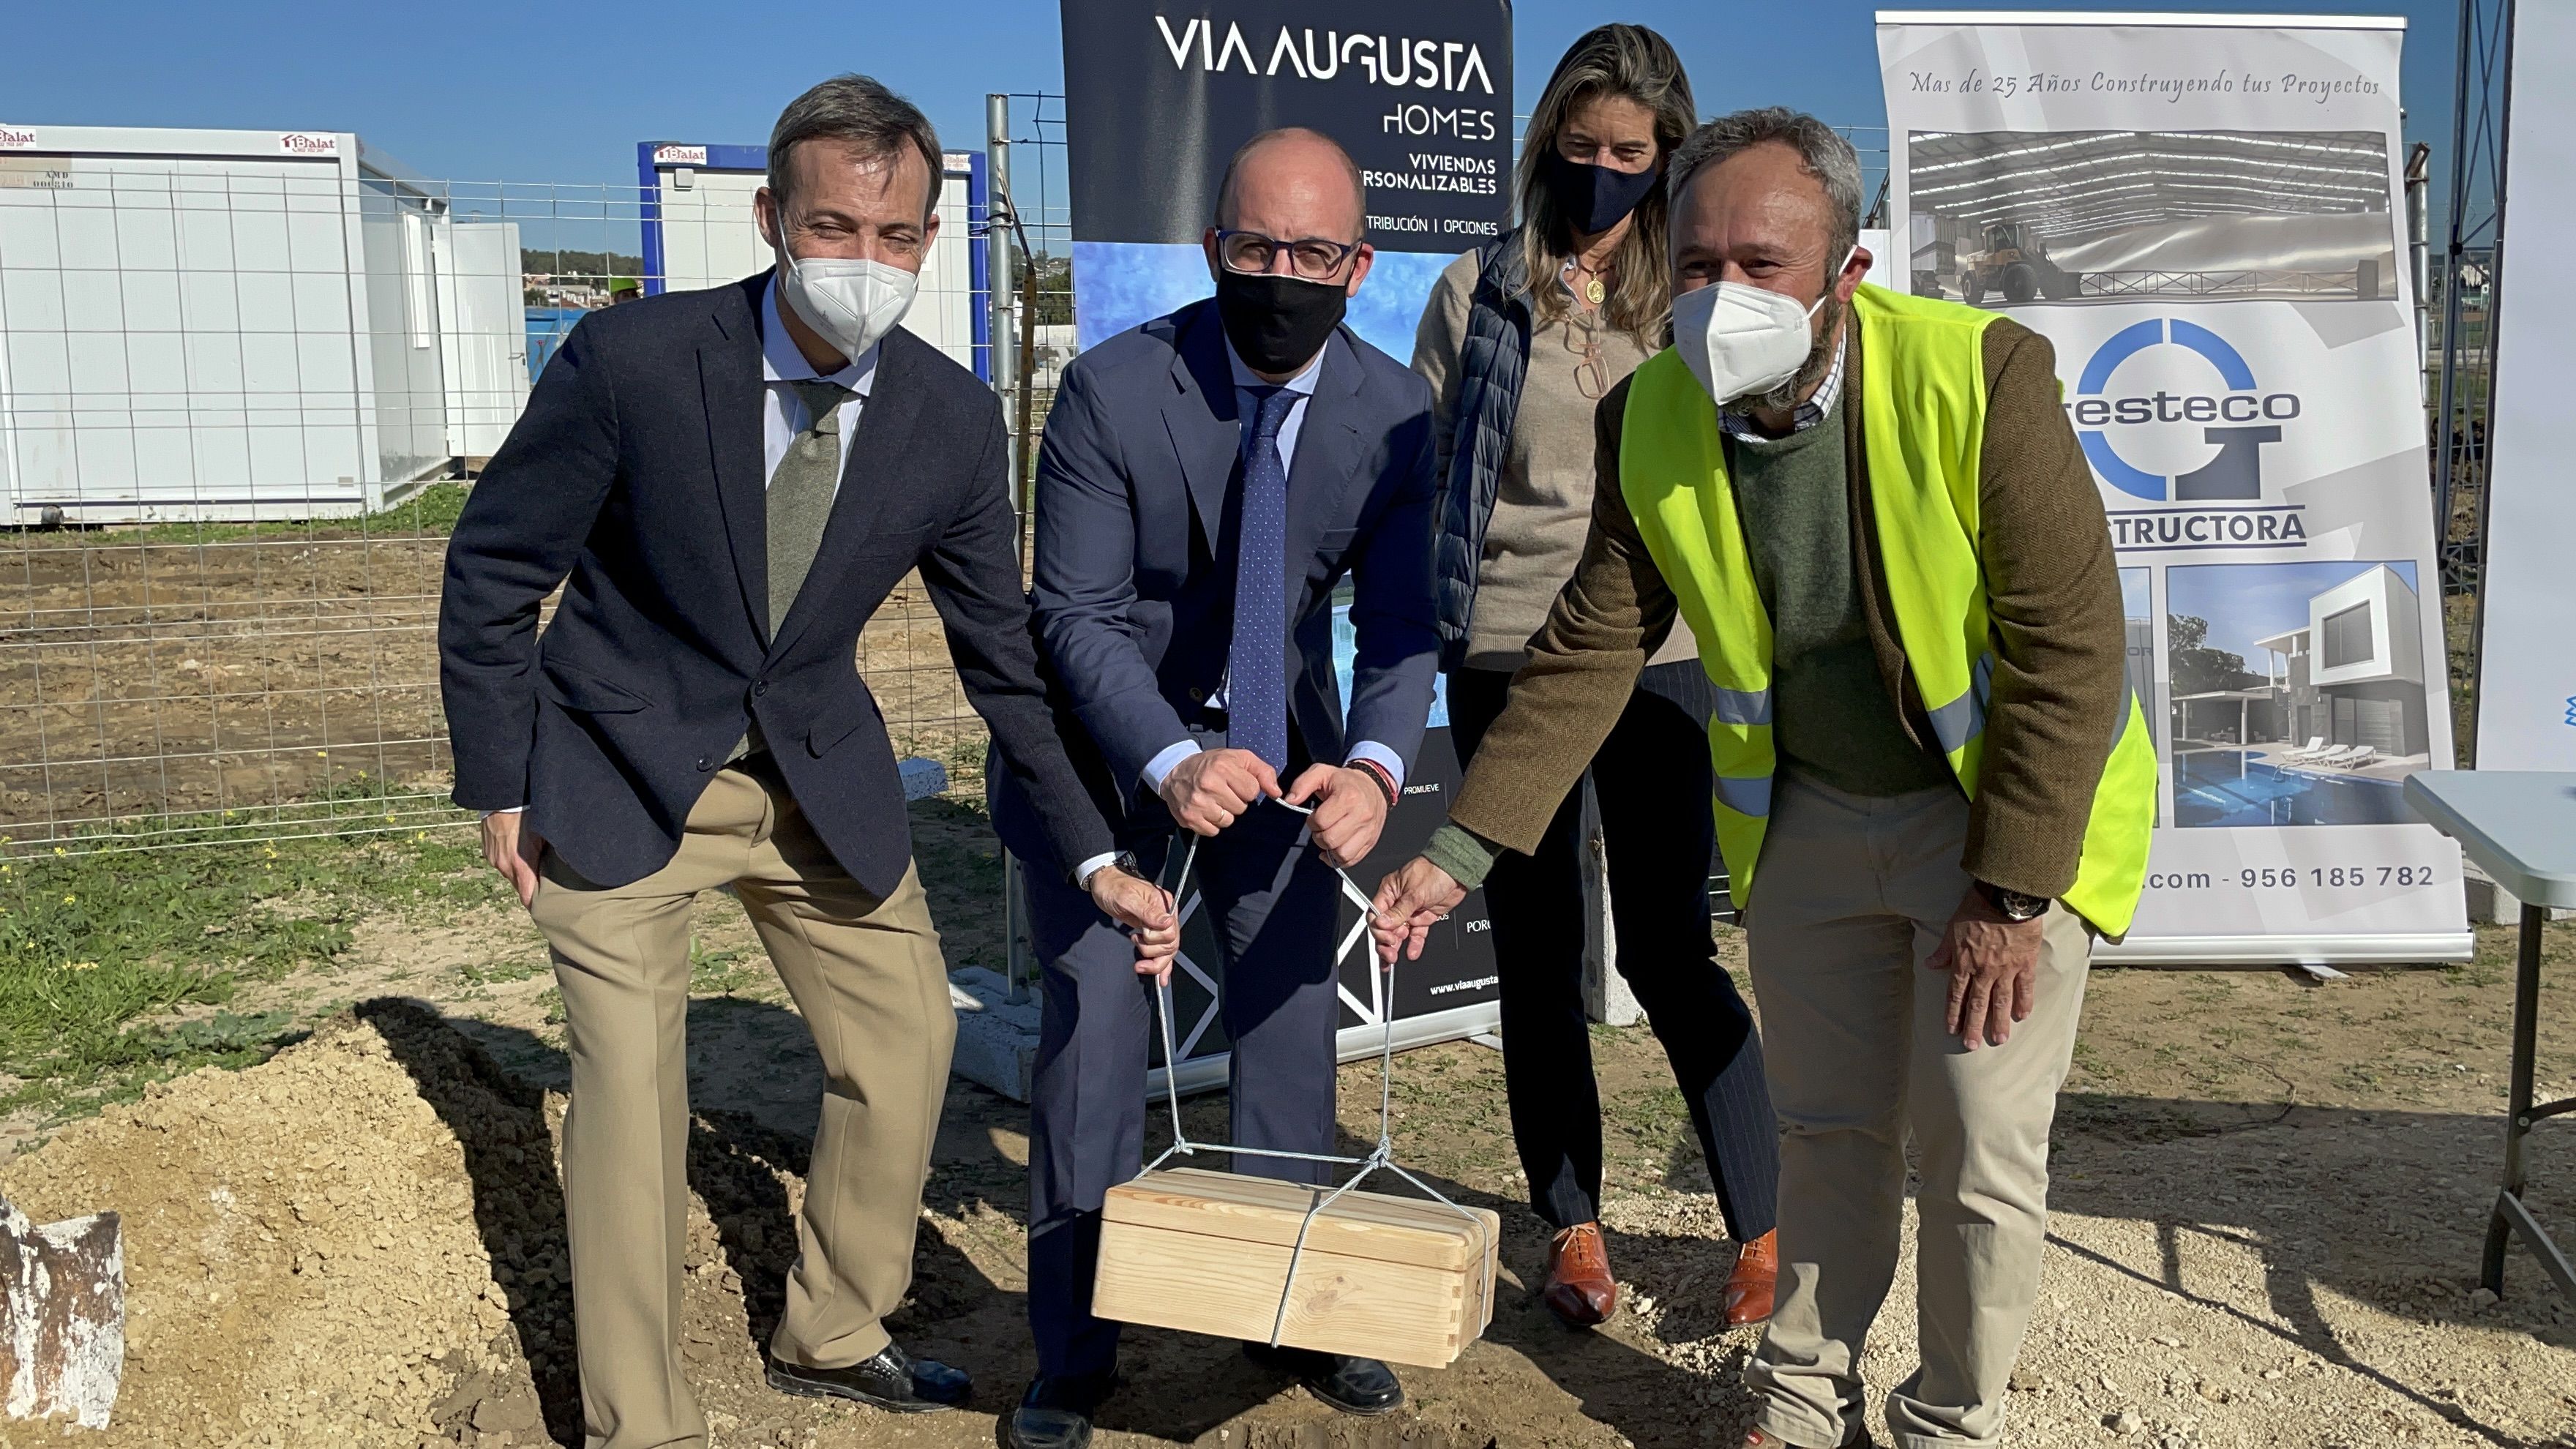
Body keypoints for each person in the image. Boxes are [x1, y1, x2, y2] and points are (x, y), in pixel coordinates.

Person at [1372, 108, 2154, 1449]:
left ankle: (1948, 1424)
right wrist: (1460, 852)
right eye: (1697, 262)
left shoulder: (1984, 376)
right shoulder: (1649, 413)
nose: (1722, 294)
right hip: (1808, 829)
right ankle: (1799, 1402)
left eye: (1764, 265)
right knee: (1829, 1136)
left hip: (1994, 828)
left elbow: (2070, 654)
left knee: (1975, 1152)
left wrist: (2012, 891)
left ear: (1846, 272)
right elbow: (1586, 652)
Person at [438, 75, 1177, 1449]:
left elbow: (1003, 657)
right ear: (773, 217)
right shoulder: (635, 363)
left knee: (911, 1042)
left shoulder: (951, 422)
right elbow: (492, 572)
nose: (863, 264)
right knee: (631, 1100)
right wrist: (502, 780)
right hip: (615, 769)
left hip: (813, 779)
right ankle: (639, 1421)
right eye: (832, 228)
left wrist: (1095, 849)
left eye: (896, 237)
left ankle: (834, 1329)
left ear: (932, 237)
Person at [988, 126, 1439, 1449]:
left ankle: (1290, 1307)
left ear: (1358, 265)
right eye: (1254, 248)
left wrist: (1374, 765)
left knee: (1293, 1019)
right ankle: (1074, 1351)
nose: (1279, 274)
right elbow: (1070, 614)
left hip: (1278, 747)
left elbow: (1405, 628)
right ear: (1212, 249)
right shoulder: (1115, 390)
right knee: (1096, 1044)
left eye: (1311, 253)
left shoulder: (1397, 411)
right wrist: (1172, 763)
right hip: (1108, 757)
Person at [1409, 21, 1781, 1333]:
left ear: (1668, 156)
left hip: (1658, 651)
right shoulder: (1476, 293)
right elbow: (1432, 476)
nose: (1606, 172)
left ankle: (1762, 1227)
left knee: (1677, 950)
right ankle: (1571, 1222)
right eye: (1582, 149)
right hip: (1510, 655)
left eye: (1632, 152)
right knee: (1537, 953)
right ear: (1547, 148)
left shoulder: (1696, 301)